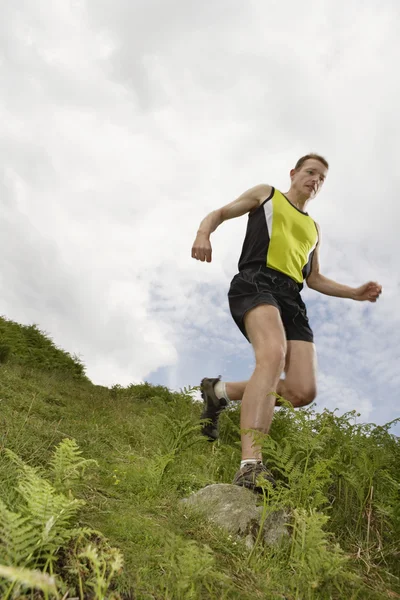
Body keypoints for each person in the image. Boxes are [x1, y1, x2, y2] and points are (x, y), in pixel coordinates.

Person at [191, 153, 382, 492]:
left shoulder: (314, 228)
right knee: (272, 356)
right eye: (310, 172)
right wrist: (204, 232)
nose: (315, 180)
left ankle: (218, 392)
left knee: (301, 391)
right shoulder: (268, 195)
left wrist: (354, 293)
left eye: (322, 178)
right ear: (294, 173)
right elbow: (220, 212)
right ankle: (250, 465)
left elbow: (315, 278)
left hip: (292, 299)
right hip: (256, 282)